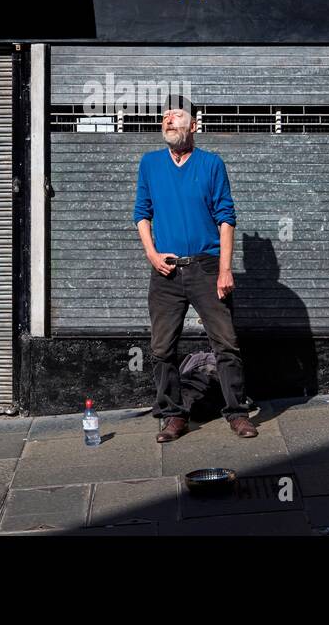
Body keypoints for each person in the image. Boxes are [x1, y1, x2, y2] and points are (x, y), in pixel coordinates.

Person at [133, 93, 257, 442]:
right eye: (165, 116)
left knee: (226, 344)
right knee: (161, 349)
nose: (168, 120)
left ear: (194, 126)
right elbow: (142, 213)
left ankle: (237, 413)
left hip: (205, 267)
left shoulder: (211, 164)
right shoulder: (150, 164)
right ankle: (172, 415)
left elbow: (226, 218)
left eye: (176, 116)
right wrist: (152, 254)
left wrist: (225, 269)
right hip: (166, 270)